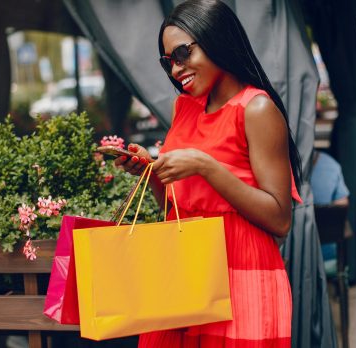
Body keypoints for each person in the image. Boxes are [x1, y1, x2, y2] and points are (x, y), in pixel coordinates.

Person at [115, 1, 303, 346]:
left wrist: (205, 165)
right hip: (184, 268)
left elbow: (280, 219)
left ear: (216, 39)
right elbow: (175, 205)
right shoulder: (184, 107)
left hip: (241, 269)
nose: (175, 70)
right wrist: (150, 172)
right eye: (168, 61)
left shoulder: (256, 108)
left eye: (183, 53)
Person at [311, 150, 350, 271]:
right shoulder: (330, 164)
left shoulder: (279, 163)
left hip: (289, 255)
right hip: (328, 255)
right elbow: (342, 203)